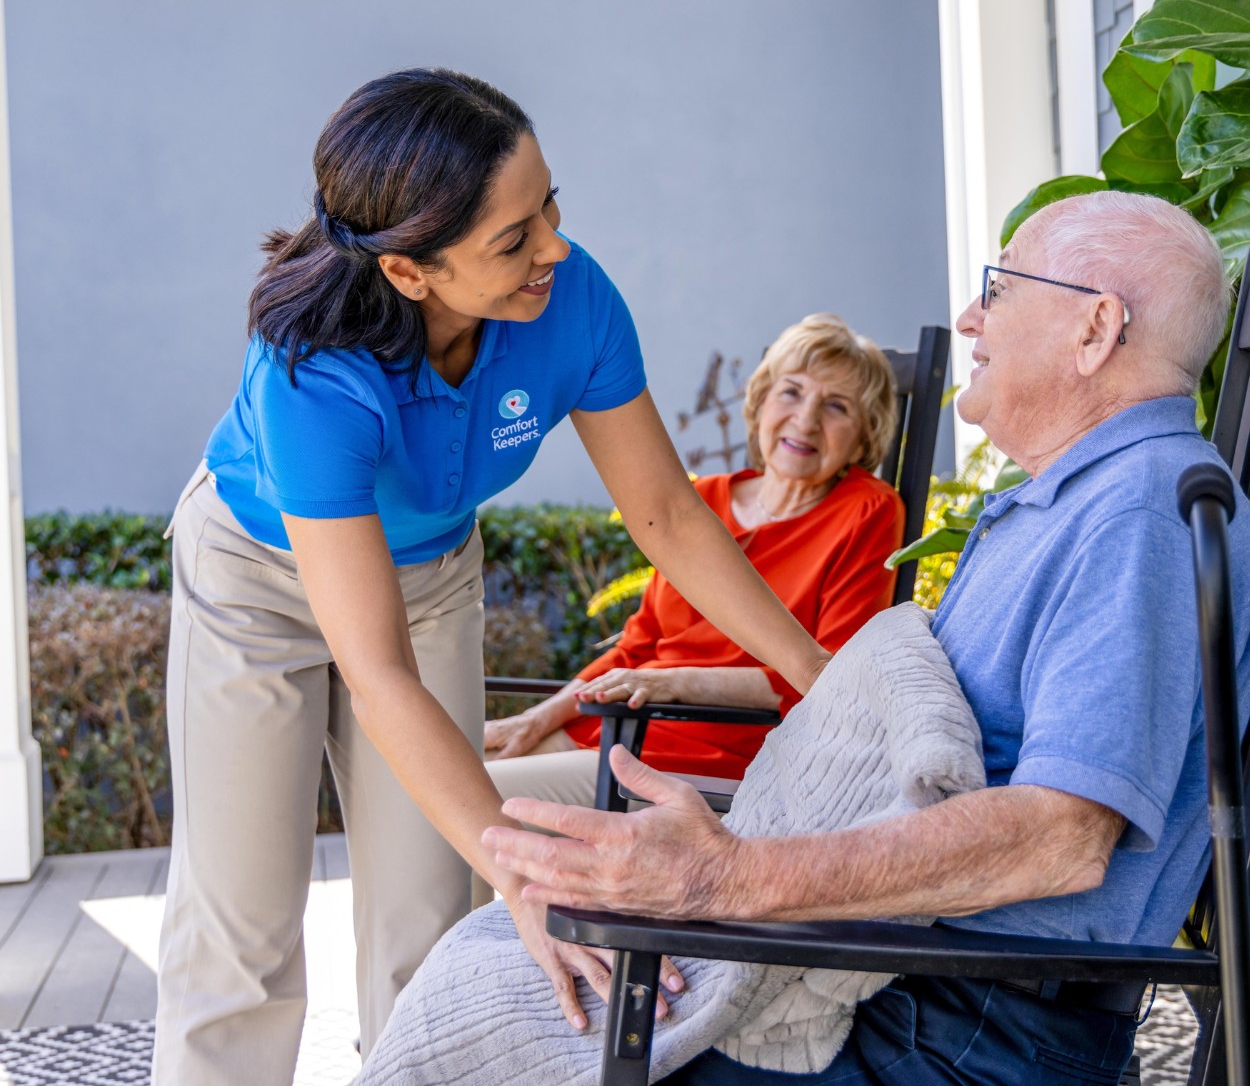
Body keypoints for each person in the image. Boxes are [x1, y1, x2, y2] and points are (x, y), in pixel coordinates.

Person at [151, 68, 835, 1086]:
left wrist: (817, 675)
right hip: (259, 582)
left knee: (430, 920)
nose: (553, 246)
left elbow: (666, 513)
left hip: (428, 574)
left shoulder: (570, 298)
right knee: (240, 933)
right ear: (409, 271)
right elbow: (377, 675)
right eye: (513, 239)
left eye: (549, 205)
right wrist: (522, 873)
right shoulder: (311, 372)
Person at [485, 189, 1250, 1086]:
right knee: (513, 994)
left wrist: (726, 881)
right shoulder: (1078, 502)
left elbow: (1063, 836)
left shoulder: (1138, 517)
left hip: (960, 1027)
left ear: (1096, 329)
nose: (971, 316)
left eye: (1000, 288)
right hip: (908, 981)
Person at [482, 313, 905, 818]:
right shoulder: (699, 504)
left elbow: (834, 676)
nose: (806, 420)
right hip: (619, 726)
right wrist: (535, 719)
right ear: (760, 402)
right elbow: (638, 646)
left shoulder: (867, 510)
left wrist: (672, 683)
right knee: (443, 781)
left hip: (705, 755)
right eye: (791, 392)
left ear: (864, 436)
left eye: (836, 406)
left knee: (468, 802)